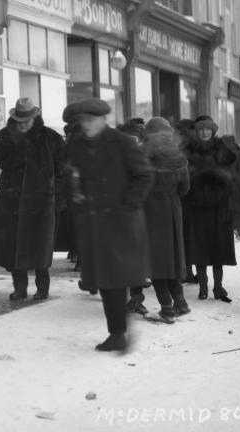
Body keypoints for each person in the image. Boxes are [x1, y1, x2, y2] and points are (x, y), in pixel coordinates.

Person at [63, 99, 154, 352]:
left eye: (91, 120)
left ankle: (118, 332)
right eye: (83, 121)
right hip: (92, 222)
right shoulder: (77, 145)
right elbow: (70, 176)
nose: (86, 125)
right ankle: (116, 333)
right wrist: (76, 199)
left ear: (104, 120)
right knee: (105, 279)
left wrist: (127, 206)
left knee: (116, 277)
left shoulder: (122, 143)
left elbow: (144, 175)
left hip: (120, 221)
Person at [0, 98, 66, 301]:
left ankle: (42, 288)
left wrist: (58, 197)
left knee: (41, 248)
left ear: (34, 117)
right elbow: (1, 161)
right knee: (14, 247)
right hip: (11, 202)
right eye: (19, 121)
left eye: (26, 121)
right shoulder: (5, 137)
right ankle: (20, 288)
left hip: (41, 202)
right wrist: (23, 148)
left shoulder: (50, 138)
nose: (22, 125)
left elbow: (62, 169)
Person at [141, 117, 191, 323]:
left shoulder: (143, 155)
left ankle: (167, 309)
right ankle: (181, 303)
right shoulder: (177, 156)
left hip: (150, 212)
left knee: (156, 262)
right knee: (172, 259)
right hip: (173, 212)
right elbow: (185, 188)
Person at [182, 115, 236, 303]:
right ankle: (203, 288)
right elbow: (184, 178)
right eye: (201, 129)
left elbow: (231, 179)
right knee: (200, 248)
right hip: (196, 207)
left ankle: (218, 287)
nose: (205, 132)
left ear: (213, 131)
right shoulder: (188, 151)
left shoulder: (222, 150)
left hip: (218, 207)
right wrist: (192, 195)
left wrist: (220, 195)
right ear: (197, 132)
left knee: (217, 248)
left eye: (208, 129)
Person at [117, 117, 151, 315]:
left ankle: (137, 298)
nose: (132, 142)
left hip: (139, 213)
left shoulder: (145, 157)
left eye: (135, 139)